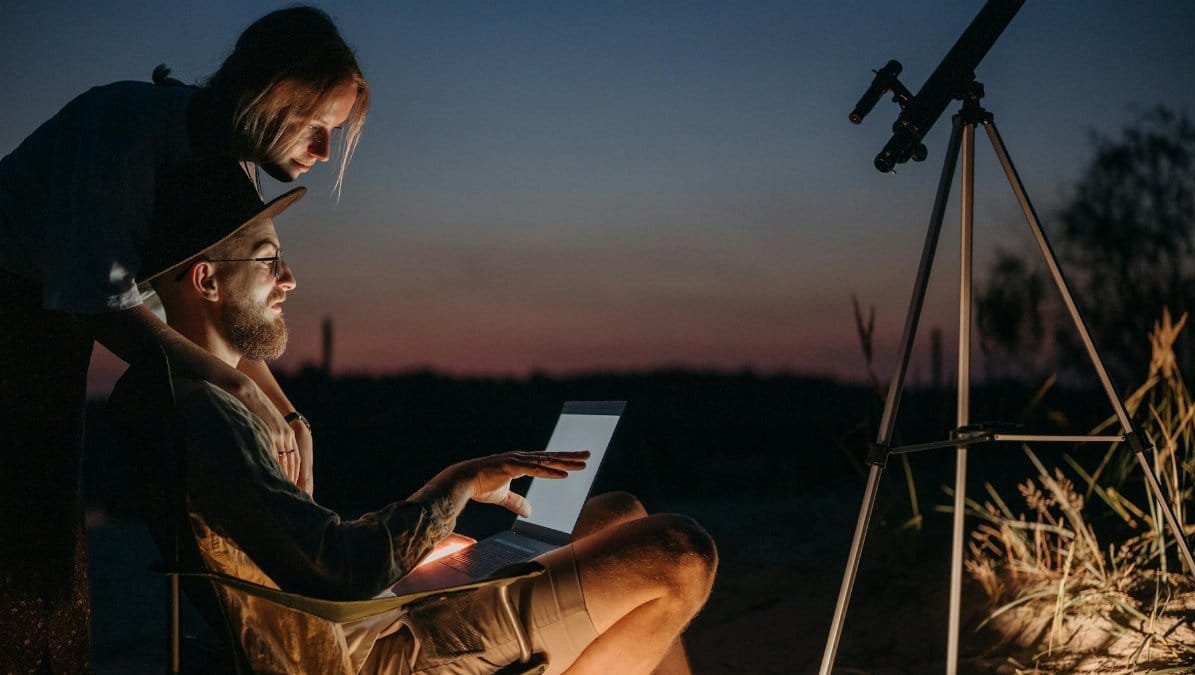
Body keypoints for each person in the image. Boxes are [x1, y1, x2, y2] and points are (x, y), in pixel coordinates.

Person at [108, 160, 717, 674]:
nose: (290, 280)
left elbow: (304, 550)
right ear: (206, 280)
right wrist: (455, 486)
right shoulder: (209, 416)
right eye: (269, 262)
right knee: (678, 553)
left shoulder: (215, 395)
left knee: (622, 513)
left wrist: (416, 562)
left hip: (376, 610)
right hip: (370, 652)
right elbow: (336, 572)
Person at [0, 7, 368, 670]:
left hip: (51, 329)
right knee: (24, 531)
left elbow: (213, 310)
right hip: (10, 312)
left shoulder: (233, 164)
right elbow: (98, 301)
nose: (321, 153)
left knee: (52, 523)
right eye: (318, 126)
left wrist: (283, 406)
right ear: (270, 92)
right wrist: (233, 385)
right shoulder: (124, 128)